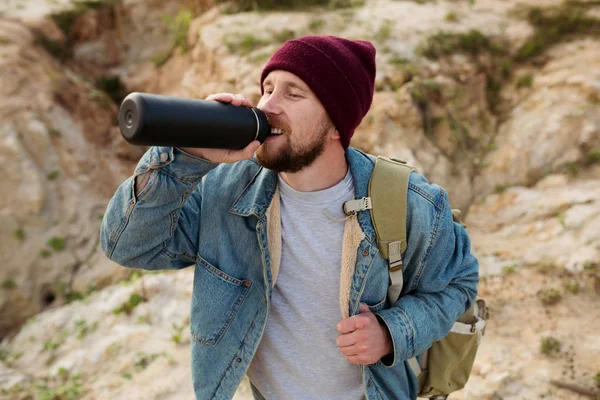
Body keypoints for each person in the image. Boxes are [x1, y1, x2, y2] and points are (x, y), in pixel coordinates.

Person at [100, 35, 479, 400]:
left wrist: (391, 332)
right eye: (267, 88)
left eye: (293, 93)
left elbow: (458, 284)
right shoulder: (223, 188)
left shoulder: (409, 202)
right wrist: (183, 156)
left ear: (335, 126)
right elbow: (129, 247)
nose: (267, 106)